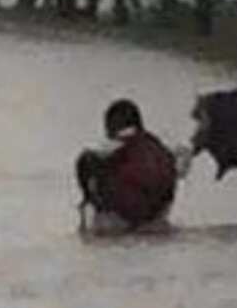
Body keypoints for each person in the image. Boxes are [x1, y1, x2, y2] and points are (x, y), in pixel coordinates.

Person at [75, 98, 197, 233]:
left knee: (91, 165)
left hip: (119, 216)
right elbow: (186, 151)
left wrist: (87, 198)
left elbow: (85, 158)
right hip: (156, 213)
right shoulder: (159, 146)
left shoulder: (114, 145)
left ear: (111, 126)